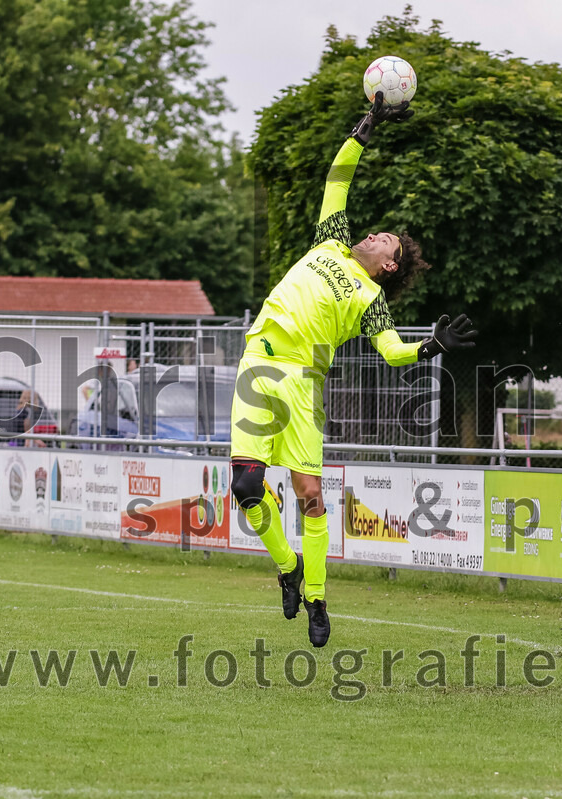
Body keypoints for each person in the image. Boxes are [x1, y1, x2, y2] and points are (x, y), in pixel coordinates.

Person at [229, 93, 477, 648]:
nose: (371, 235)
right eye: (375, 233)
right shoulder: (330, 242)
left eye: (383, 241)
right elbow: (337, 179)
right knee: (246, 485)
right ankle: (289, 567)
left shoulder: (371, 298)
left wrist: (432, 346)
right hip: (259, 363)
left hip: (304, 383)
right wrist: (367, 126)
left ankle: (316, 596)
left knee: (310, 497)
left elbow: (391, 351)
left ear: (389, 265)